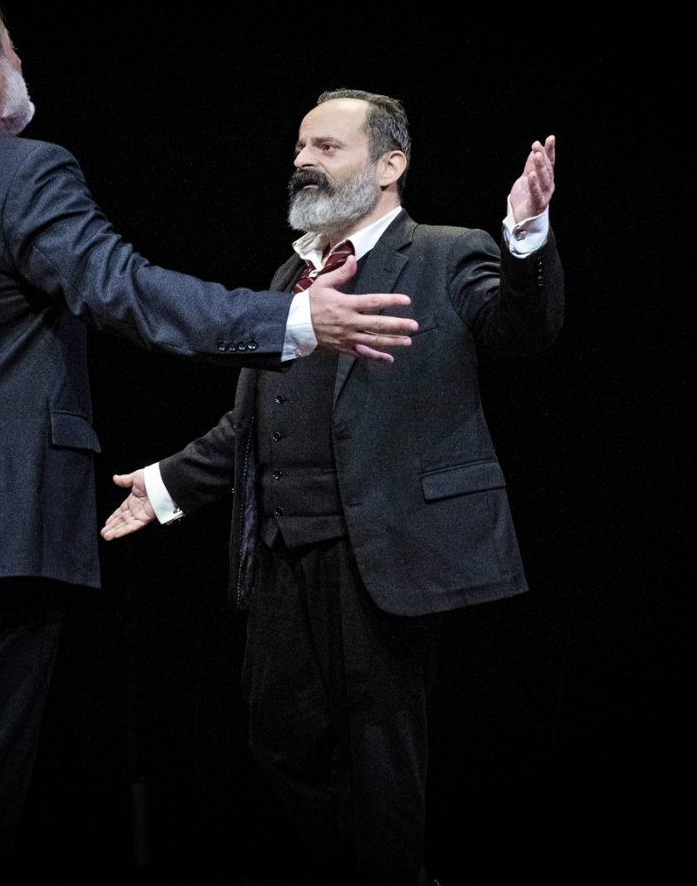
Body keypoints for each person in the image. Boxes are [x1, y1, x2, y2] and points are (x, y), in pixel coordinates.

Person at [0, 0, 419, 881]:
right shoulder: (25, 173)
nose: (22, 67)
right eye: (15, 52)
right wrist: (293, 320)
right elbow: (125, 290)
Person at [102, 89, 562, 885]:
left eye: (326, 147)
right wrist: (167, 483)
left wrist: (525, 236)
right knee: (278, 739)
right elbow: (255, 419)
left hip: (384, 549)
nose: (303, 161)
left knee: (383, 760)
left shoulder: (446, 253)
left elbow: (521, 330)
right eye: (300, 147)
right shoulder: (294, 273)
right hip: (285, 549)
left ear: (390, 165)